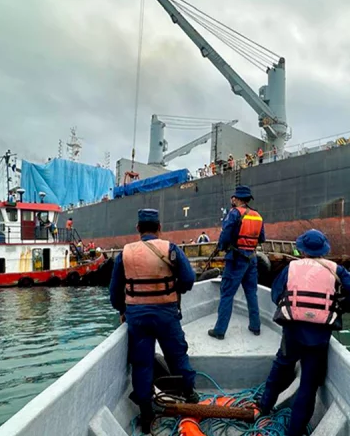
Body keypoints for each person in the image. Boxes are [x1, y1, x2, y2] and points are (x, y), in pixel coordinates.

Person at [257, 229, 350, 436]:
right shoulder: (336, 270)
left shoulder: (291, 268)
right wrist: (340, 307)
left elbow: (275, 295)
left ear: (302, 250)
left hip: (292, 331)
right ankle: (294, 432)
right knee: (308, 386)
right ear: (324, 250)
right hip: (318, 336)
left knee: (281, 366)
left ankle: (263, 407)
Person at [109, 209, 200, 434]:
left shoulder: (125, 253)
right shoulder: (171, 249)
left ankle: (147, 414)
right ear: (159, 227)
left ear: (138, 229)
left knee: (142, 364)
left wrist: (123, 309)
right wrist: (173, 290)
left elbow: (114, 291)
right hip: (166, 314)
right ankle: (189, 395)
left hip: (137, 317)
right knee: (177, 355)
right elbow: (188, 279)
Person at [208, 185, 265, 339]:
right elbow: (261, 238)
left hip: (235, 259)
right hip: (252, 259)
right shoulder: (258, 216)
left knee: (227, 294)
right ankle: (255, 326)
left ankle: (220, 330)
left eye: (233, 197)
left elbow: (225, 235)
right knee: (251, 293)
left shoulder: (234, 213)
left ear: (237, 199)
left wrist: (221, 247)